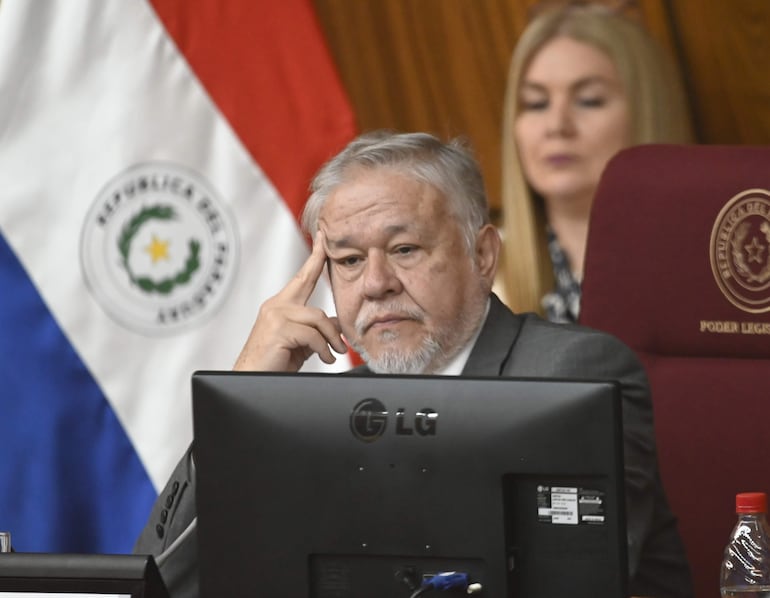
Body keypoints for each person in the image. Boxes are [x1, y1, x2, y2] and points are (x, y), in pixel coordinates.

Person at [134, 131, 692, 597]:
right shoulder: (313, 416)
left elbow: (573, 583)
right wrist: (241, 404)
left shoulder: (570, 371)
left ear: (481, 256)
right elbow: (158, 582)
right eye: (349, 261)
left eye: (404, 250)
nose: (375, 284)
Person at [496, 2, 692, 322]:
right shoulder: (477, 278)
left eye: (589, 100)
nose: (557, 125)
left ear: (647, 112)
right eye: (536, 103)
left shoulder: (712, 262)